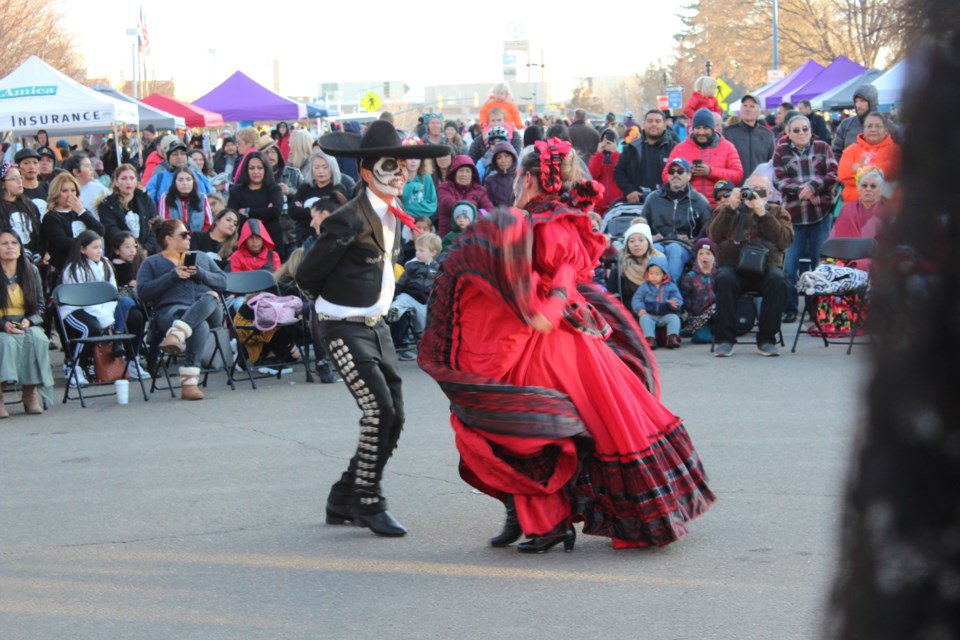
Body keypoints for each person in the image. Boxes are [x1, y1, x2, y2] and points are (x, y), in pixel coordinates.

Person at [419, 137, 714, 552]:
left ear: (534, 178)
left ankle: (547, 522)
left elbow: (562, 275)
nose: (517, 182)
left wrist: (549, 308)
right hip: (541, 328)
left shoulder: (552, 220)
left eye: (522, 175)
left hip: (552, 337)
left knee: (522, 425)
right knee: (504, 421)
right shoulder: (538, 217)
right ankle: (531, 516)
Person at [295, 119, 449, 538]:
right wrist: (333, 310)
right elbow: (307, 274)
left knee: (394, 416)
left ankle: (344, 494)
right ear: (366, 172)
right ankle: (367, 500)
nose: (399, 172)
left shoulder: (394, 214)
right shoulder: (347, 218)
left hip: (376, 324)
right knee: (377, 411)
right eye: (389, 165)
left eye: (402, 165)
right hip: (342, 326)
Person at [136, 218, 227, 400]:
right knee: (198, 326)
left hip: (208, 310)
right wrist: (172, 276)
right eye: (184, 235)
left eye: (189, 234)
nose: (188, 238)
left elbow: (223, 282)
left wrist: (201, 273)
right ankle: (189, 385)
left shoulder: (200, 256)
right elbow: (143, 293)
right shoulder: (152, 263)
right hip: (171, 312)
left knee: (211, 296)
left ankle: (176, 334)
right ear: (169, 239)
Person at [708, 174, 794, 356]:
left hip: (766, 269)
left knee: (778, 280)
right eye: (751, 190)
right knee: (724, 278)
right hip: (732, 267)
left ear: (769, 194)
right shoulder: (727, 209)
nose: (755, 195)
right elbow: (714, 236)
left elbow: (785, 241)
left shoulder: (778, 211)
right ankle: (725, 339)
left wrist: (763, 214)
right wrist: (731, 208)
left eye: (761, 191)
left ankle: (766, 340)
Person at [772, 113, 839, 323]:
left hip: (821, 215)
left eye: (805, 129)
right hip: (793, 217)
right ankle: (790, 308)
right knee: (789, 268)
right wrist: (804, 189)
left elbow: (833, 174)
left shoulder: (823, 148)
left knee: (820, 265)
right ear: (788, 133)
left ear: (811, 130)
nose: (802, 133)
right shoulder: (780, 151)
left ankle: (816, 309)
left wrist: (813, 187)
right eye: (796, 130)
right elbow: (779, 180)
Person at [0, 229, 53, 416]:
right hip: (1, 323)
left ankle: (30, 393)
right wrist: (3, 324)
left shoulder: (31, 270)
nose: (10, 247)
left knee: (38, 339)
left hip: (24, 321)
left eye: (14, 243)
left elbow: (40, 306)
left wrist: (29, 321)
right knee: (6, 342)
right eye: (4, 243)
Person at [58, 231, 118, 387]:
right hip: (74, 308)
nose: (99, 251)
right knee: (90, 329)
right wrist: (102, 317)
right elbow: (82, 298)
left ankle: (131, 360)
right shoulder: (74, 268)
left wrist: (107, 313)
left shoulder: (105, 264)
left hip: (102, 309)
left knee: (132, 316)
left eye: (100, 247)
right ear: (82, 249)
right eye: (94, 247)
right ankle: (74, 366)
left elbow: (112, 291)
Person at [641, 158, 713, 282]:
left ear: (689, 175)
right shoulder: (653, 198)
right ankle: (655, 291)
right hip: (659, 242)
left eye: (680, 171)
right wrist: (649, 237)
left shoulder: (699, 201)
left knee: (674, 248)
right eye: (671, 171)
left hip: (685, 246)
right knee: (657, 250)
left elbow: (708, 231)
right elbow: (641, 224)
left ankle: (670, 289)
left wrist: (694, 241)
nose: (675, 174)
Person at [663, 108, 743, 208]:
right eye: (698, 128)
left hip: (719, 207)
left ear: (713, 129)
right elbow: (666, 176)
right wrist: (684, 174)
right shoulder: (680, 149)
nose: (701, 132)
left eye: (705, 128)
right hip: (688, 208)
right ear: (692, 129)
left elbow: (737, 175)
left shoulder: (727, 147)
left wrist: (711, 172)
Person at [387, 232, 441, 360]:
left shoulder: (437, 269)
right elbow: (402, 281)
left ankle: (424, 350)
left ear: (433, 253)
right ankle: (394, 312)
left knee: (423, 325)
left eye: (421, 251)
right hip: (409, 294)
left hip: (425, 300)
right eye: (417, 250)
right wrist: (395, 293)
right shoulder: (412, 266)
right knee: (401, 301)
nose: (417, 253)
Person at [107, 231, 150, 379]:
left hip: (138, 303)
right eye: (127, 247)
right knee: (133, 312)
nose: (132, 250)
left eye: (134, 246)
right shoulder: (113, 266)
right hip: (117, 306)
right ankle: (120, 341)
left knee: (138, 316)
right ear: (117, 250)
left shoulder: (141, 264)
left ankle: (134, 357)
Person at [227, 151, 285, 261]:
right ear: (246, 170)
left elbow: (275, 211)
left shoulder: (273, 189)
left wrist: (248, 211)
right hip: (243, 245)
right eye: (252, 168)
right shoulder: (236, 191)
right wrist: (264, 214)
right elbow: (233, 218)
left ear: (266, 169)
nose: (256, 172)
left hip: (271, 243)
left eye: (260, 168)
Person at [41, 173, 105, 271]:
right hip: (66, 267)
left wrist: (81, 212)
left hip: (90, 266)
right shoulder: (51, 217)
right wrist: (89, 244)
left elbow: (100, 231)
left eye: (73, 190)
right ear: (56, 193)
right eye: (65, 191)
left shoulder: (82, 212)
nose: (70, 194)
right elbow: (63, 243)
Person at [614, 109, 678, 203]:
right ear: (644, 124)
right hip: (638, 203)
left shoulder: (674, 148)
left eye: (658, 121)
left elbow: (683, 174)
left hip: (668, 202)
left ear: (664, 125)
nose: (653, 124)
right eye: (650, 121)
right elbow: (619, 172)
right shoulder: (631, 148)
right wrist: (629, 190)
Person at [288, 151, 349, 247]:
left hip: (327, 239)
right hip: (303, 238)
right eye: (316, 167)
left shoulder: (338, 189)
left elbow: (332, 214)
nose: (321, 171)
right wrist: (316, 211)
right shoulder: (305, 187)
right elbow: (292, 211)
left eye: (325, 167)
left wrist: (304, 210)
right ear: (311, 169)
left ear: (332, 169)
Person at [837, 112, 900, 204]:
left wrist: (860, 167)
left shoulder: (895, 150)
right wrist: (880, 168)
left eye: (878, 126)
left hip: (884, 210)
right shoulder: (851, 150)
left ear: (886, 130)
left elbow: (892, 171)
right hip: (853, 208)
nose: (873, 129)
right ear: (864, 129)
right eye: (869, 126)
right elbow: (844, 175)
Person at [98, 164, 160, 256]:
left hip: (146, 253)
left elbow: (155, 227)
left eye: (132, 178)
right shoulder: (107, 204)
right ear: (116, 182)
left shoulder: (146, 200)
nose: (128, 182)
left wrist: (145, 249)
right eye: (124, 178)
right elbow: (111, 230)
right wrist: (130, 248)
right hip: (119, 254)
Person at [605, 220, 663, 306]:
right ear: (627, 245)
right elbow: (613, 300)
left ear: (648, 243)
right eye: (632, 241)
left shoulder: (661, 264)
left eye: (641, 240)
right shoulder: (619, 269)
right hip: (628, 314)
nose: (636, 244)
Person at [631, 255, 683, 349]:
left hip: (666, 313)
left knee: (674, 318)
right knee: (644, 318)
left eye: (657, 274)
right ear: (647, 273)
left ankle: (672, 337)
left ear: (664, 275)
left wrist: (674, 304)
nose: (653, 276)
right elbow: (637, 299)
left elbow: (678, 298)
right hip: (650, 314)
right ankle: (650, 339)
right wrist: (640, 308)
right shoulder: (645, 286)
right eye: (651, 273)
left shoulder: (671, 286)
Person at [436, 156, 493, 237]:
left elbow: (489, 210)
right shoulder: (444, 188)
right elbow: (448, 203)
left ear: (472, 175)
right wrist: (469, 213)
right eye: (461, 171)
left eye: (467, 171)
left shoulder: (480, 190)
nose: (464, 174)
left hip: (472, 236)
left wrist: (475, 215)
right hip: (448, 235)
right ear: (454, 173)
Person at [723, 94, 776, 180]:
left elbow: (772, 163)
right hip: (735, 187)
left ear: (759, 111)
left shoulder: (767, 135)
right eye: (745, 105)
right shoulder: (728, 132)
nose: (747, 109)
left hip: (759, 186)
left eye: (752, 106)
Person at [1, 162, 43, 264]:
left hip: (32, 262)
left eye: (20, 177)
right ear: (2, 184)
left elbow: (40, 232)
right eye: (14, 178)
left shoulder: (29, 205)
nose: (19, 181)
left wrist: (40, 252)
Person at [680, 237, 718, 343]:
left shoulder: (718, 274)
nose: (704, 256)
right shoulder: (691, 276)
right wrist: (691, 308)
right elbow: (685, 295)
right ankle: (700, 330)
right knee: (702, 339)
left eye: (708, 253)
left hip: (716, 312)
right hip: (699, 315)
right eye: (701, 254)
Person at [157, 167, 213, 233]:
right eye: (180, 180)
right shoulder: (165, 197)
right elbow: (164, 224)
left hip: (198, 240)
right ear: (174, 183)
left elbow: (208, 224)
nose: (185, 183)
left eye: (188, 179)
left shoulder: (202, 198)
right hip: (174, 239)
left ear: (193, 182)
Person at [831, 84, 879, 159]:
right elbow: (835, 152)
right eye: (856, 101)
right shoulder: (846, 124)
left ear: (871, 102)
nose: (858, 105)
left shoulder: (886, 126)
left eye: (862, 101)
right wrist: (842, 168)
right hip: (848, 168)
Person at [588, 128, 623, 214]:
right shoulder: (596, 157)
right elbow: (592, 175)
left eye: (610, 140)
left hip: (617, 204)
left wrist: (614, 153)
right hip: (598, 205)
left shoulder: (621, 157)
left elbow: (621, 172)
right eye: (604, 140)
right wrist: (599, 153)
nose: (607, 142)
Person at [15, 148, 49, 217]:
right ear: (18, 167)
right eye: (26, 163)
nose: (31, 167)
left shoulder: (47, 187)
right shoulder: (16, 191)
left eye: (35, 163)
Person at [482, 141, 518, 208]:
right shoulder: (490, 181)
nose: (503, 160)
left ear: (513, 157)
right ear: (495, 161)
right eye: (499, 158)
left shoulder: (521, 178)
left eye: (507, 156)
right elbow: (487, 205)